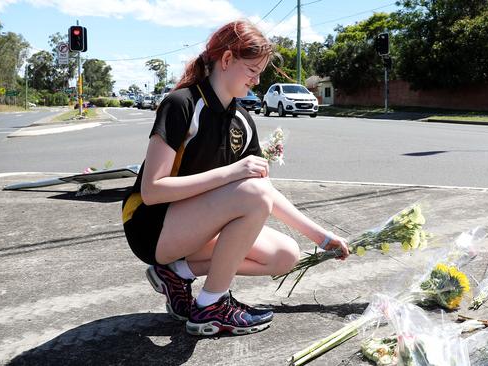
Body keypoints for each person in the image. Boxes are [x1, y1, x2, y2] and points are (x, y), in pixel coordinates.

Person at [121, 20, 350, 337]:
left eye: (260, 72)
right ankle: (210, 306)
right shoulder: (182, 104)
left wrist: (322, 238)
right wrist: (232, 172)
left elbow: (264, 191)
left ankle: (177, 273)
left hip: (193, 226)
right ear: (226, 60)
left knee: (285, 255)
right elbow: (152, 191)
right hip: (151, 227)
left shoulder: (242, 119)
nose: (257, 80)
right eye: (252, 70)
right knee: (252, 193)